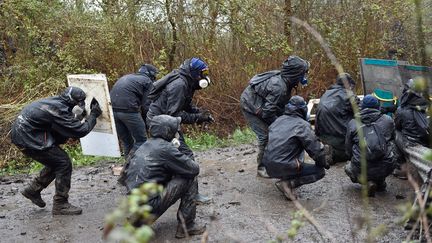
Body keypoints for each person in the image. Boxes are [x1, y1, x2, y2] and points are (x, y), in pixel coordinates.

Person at [10, 86, 102, 215]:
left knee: (56, 162)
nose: (78, 106)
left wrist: (79, 117)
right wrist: (93, 115)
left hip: (23, 136)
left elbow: (65, 124)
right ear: (72, 102)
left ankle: (33, 190)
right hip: (30, 139)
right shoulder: (57, 110)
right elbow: (80, 131)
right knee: (63, 163)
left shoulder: (56, 102)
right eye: (77, 103)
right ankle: (60, 204)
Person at [124, 115, 205, 238]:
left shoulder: (145, 145)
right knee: (190, 178)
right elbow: (193, 169)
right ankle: (186, 226)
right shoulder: (165, 148)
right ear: (168, 131)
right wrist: (178, 151)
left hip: (134, 203)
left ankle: (138, 220)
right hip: (150, 204)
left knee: (170, 173)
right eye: (175, 129)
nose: (177, 131)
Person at [146, 57, 214, 204]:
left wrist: (200, 113)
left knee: (167, 157)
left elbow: (185, 104)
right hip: (161, 123)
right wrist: (198, 118)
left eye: (206, 73)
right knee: (187, 156)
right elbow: (175, 114)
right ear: (195, 73)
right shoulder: (180, 84)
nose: (204, 77)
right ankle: (192, 195)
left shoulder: (187, 82)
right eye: (203, 73)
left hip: (162, 120)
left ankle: (162, 191)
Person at [240, 56, 310, 178]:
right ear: (295, 74)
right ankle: (261, 168)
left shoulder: (286, 81)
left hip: (264, 104)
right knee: (266, 136)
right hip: (251, 105)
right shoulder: (279, 87)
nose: (304, 77)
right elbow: (267, 114)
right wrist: (282, 126)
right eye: (302, 74)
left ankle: (276, 162)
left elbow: (278, 106)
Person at [262, 96, 331, 200]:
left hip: (268, 166)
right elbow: (315, 150)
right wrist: (324, 162)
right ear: (303, 110)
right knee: (319, 171)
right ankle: (288, 184)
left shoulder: (276, 121)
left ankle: (286, 178)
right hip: (285, 165)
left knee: (290, 154)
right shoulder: (302, 125)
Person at [344, 95, 395, 197]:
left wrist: (352, 157)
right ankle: (379, 182)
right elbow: (393, 140)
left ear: (362, 106)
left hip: (362, 166)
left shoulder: (353, 123)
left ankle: (367, 182)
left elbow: (348, 149)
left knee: (348, 167)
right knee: (386, 156)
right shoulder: (388, 120)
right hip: (386, 165)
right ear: (378, 106)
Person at [110, 64, 159, 157]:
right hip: (129, 111)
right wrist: (148, 123)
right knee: (141, 140)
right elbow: (146, 106)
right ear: (151, 74)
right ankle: (135, 164)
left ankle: (128, 167)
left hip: (113, 111)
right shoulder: (147, 81)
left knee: (127, 141)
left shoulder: (127, 77)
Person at [315, 72, 357, 164]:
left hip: (323, 136)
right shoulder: (349, 96)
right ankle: (334, 154)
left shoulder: (327, 93)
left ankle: (328, 151)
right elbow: (363, 113)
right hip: (339, 136)